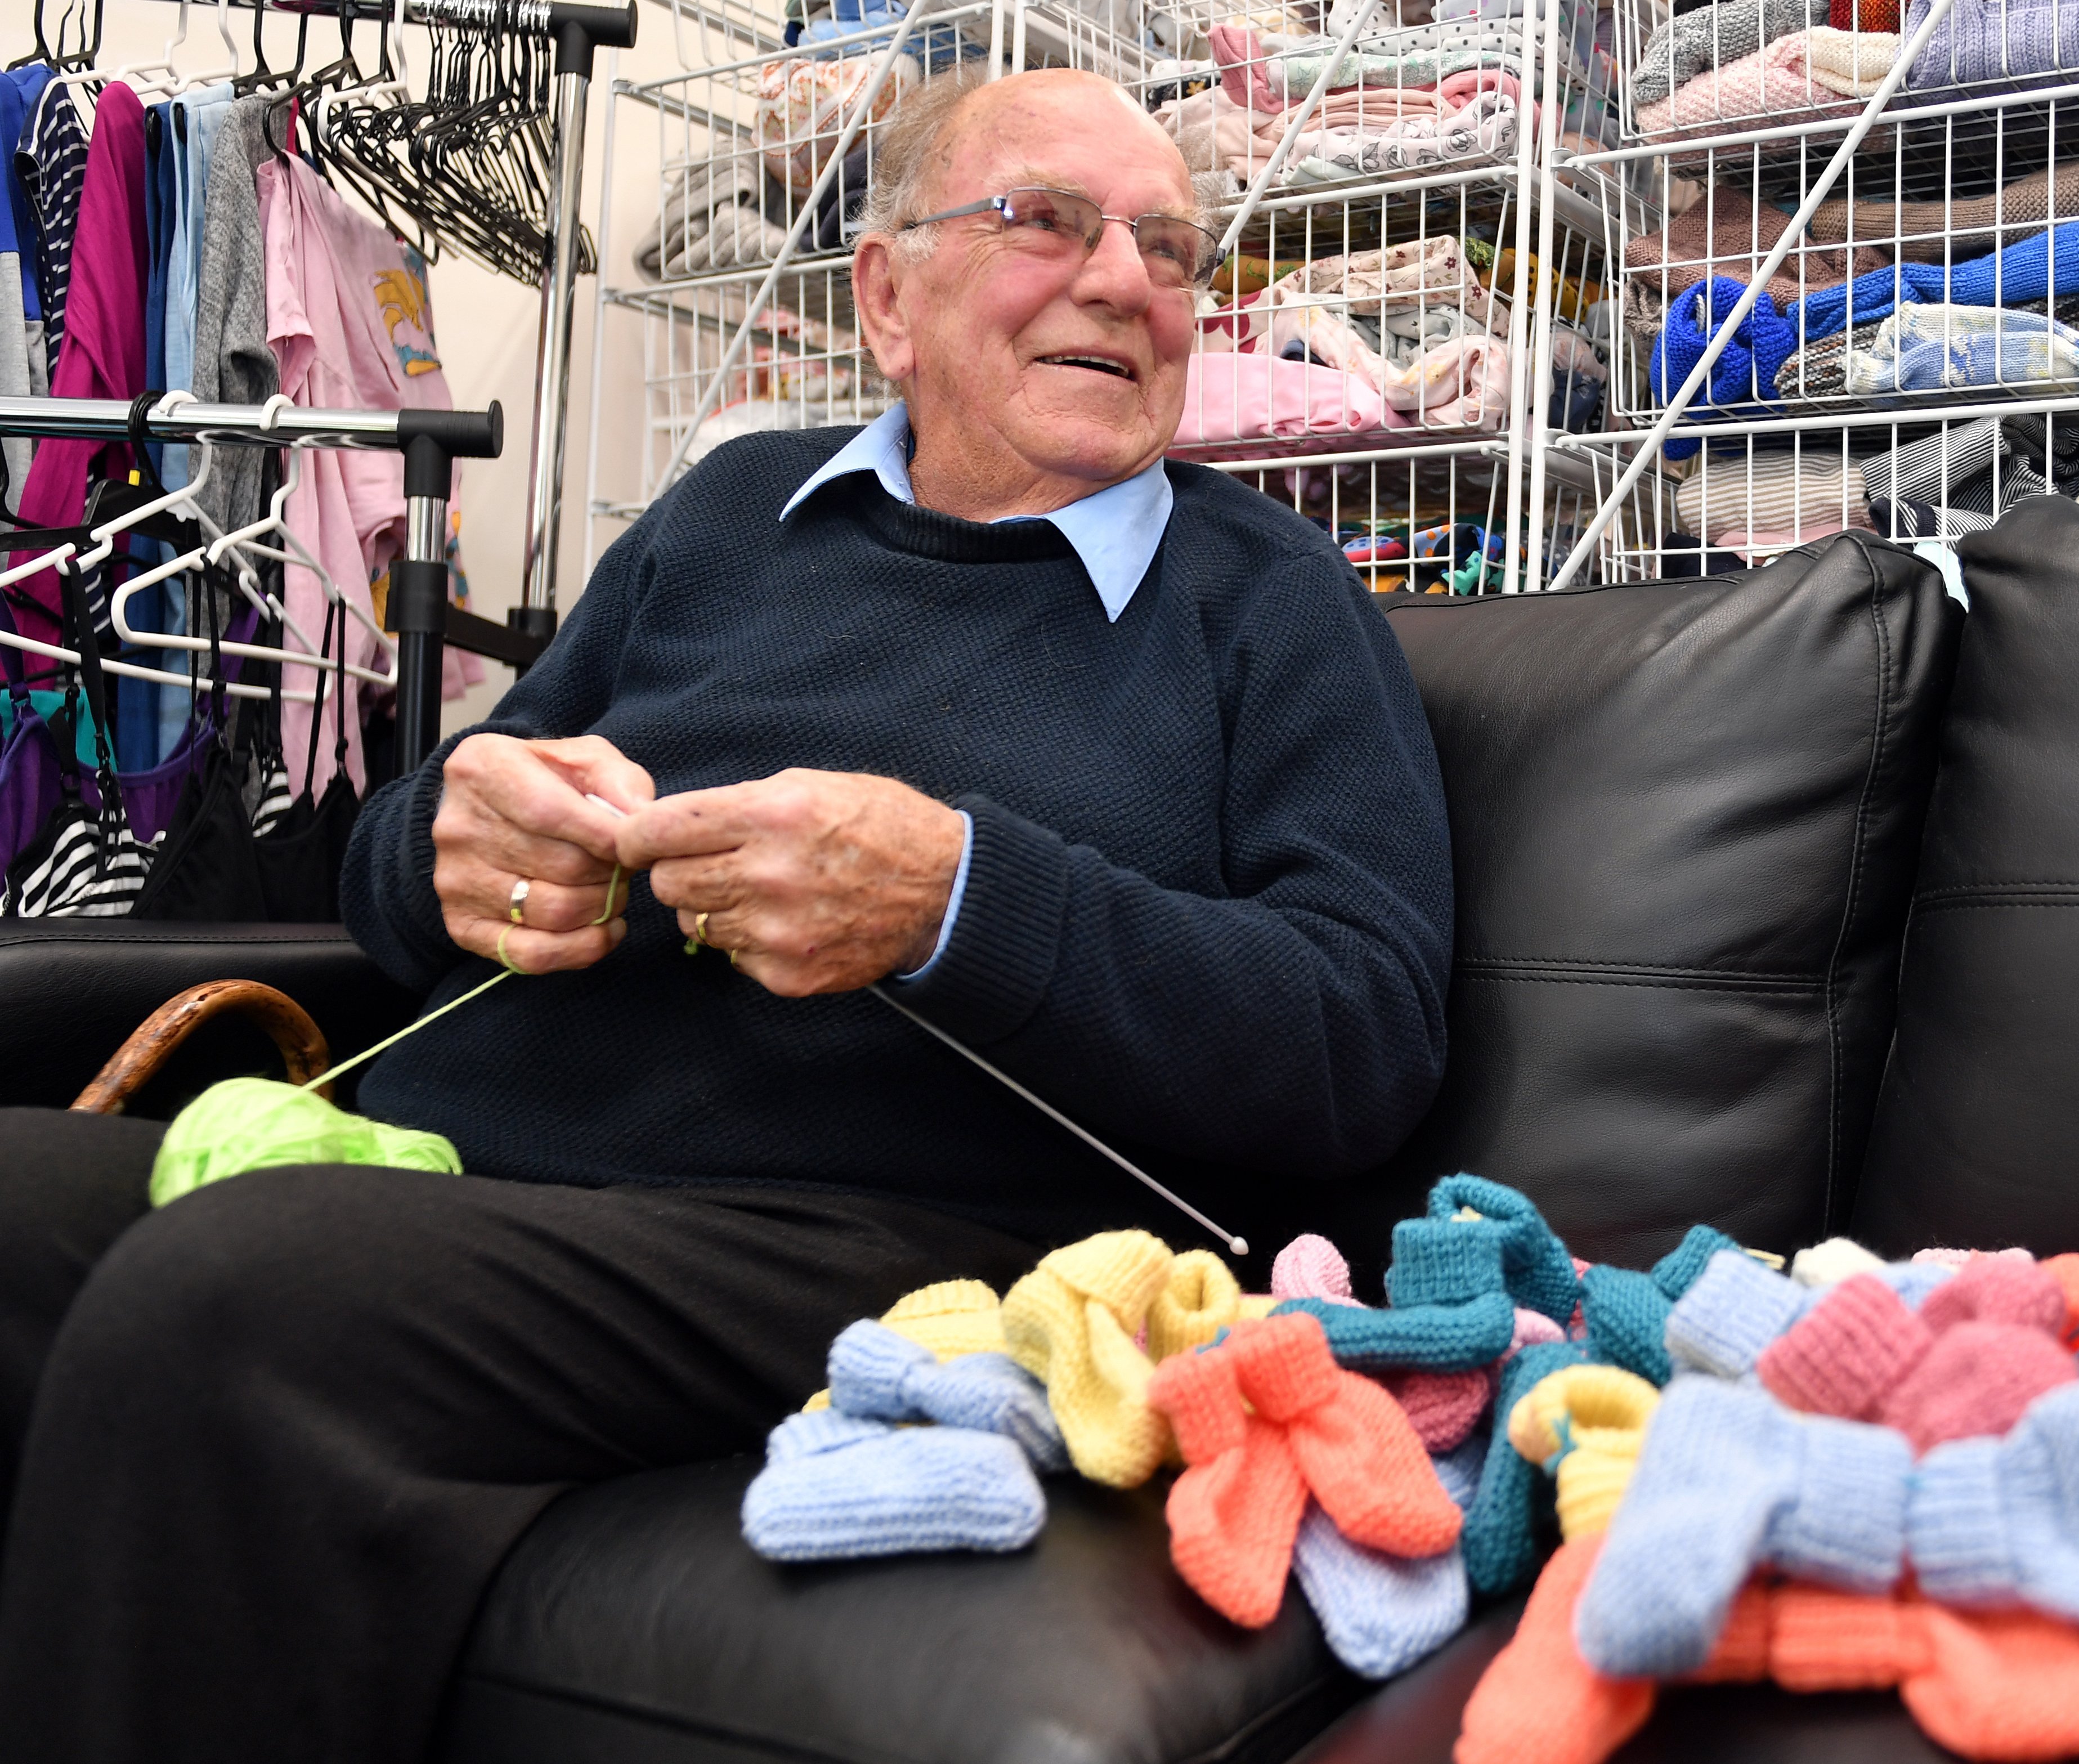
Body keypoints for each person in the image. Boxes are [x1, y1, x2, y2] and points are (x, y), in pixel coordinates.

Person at [0, 68, 1451, 1762]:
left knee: (244, 1293)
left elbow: (1360, 1042)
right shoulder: (722, 517)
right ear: (885, 297)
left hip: (873, 1236)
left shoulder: (1270, 606)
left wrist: (957, 901)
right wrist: (446, 856)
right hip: (451, 1168)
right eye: (1047, 221)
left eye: (1170, 248)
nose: (1128, 280)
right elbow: (413, 865)